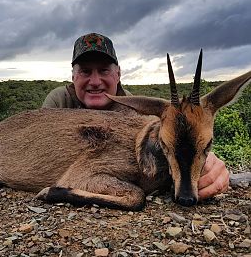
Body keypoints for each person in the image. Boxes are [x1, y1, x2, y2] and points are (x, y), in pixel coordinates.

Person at [42, 32, 229, 200]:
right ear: (73, 76)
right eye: (85, 71)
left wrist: (205, 157)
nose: (95, 81)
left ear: (118, 74)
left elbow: (172, 134)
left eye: (104, 70)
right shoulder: (58, 101)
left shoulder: (134, 109)